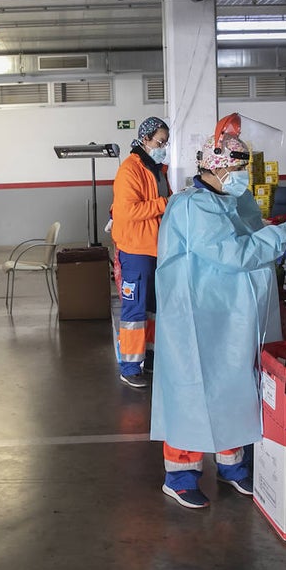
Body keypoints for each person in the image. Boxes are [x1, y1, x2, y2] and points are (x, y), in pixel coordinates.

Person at [151, 132, 286, 509]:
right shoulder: (193, 206)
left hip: (234, 316)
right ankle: (180, 473)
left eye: (246, 165)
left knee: (235, 385)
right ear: (217, 164)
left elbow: (255, 236)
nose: (243, 173)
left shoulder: (235, 199)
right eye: (238, 166)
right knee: (193, 390)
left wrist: (280, 233)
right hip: (197, 316)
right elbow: (234, 253)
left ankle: (232, 464)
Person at [111, 117, 171, 388]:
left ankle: (150, 357)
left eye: (165, 142)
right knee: (134, 310)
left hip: (156, 249)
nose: (163, 146)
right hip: (135, 250)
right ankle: (130, 367)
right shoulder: (130, 170)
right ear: (145, 139)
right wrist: (165, 203)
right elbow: (129, 211)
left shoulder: (156, 169)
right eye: (160, 141)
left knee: (153, 309)